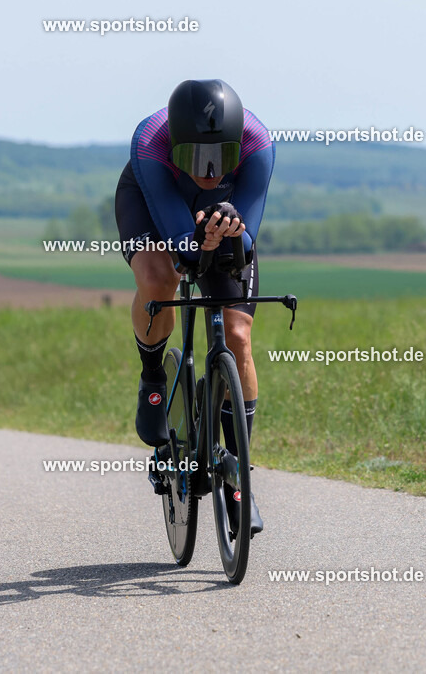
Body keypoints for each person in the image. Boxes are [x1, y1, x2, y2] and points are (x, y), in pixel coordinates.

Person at [114, 79, 274, 535]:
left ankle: (239, 479)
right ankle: (153, 375)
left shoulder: (259, 143)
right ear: (177, 148)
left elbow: (243, 239)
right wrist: (197, 242)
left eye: (218, 160)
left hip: (224, 220)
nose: (206, 171)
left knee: (239, 336)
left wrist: (225, 233)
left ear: (236, 148)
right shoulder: (150, 141)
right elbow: (184, 254)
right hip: (153, 205)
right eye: (195, 160)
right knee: (159, 279)